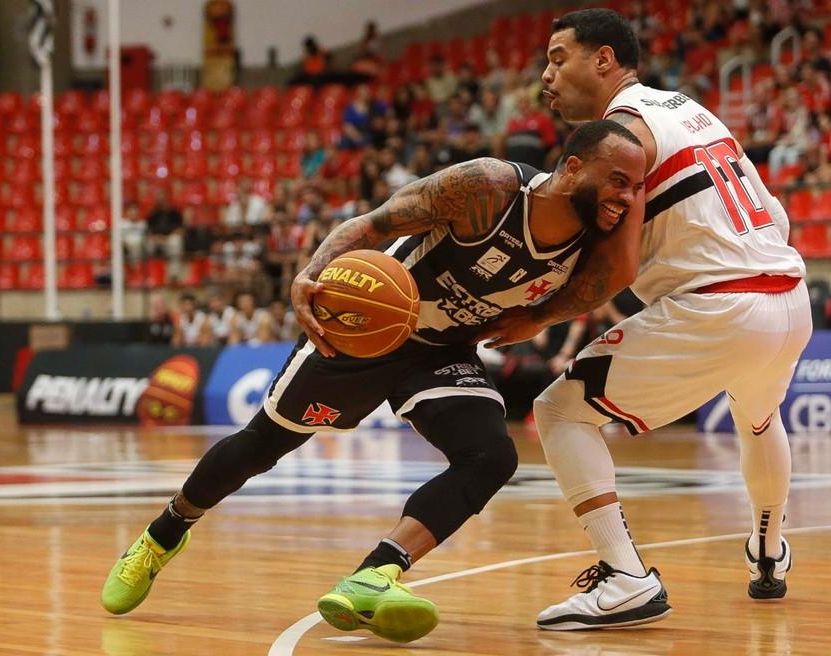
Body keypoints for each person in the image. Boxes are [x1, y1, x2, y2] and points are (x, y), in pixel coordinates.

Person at [100, 120, 647, 643]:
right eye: (618, 182)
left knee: (491, 456)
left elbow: (606, 283)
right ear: (573, 167)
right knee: (262, 445)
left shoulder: (596, 243)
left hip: (442, 351)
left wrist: (537, 320)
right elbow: (369, 225)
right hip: (367, 331)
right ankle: (163, 534)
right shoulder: (489, 188)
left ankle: (374, 575)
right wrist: (310, 276)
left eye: (637, 187)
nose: (627, 198)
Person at [478, 9, 811, 631]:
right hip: (787, 298)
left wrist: (535, 317)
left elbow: (617, 268)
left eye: (558, 57)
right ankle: (768, 550)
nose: (546, 75)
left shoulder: (619, 136)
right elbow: (776, 216)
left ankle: (626, 577)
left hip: (719, 304)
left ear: (603, 60)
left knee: (558, 411)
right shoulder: (689, 109)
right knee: (759, 420)